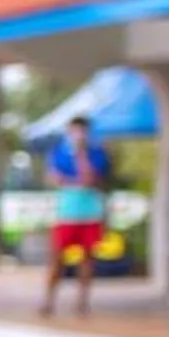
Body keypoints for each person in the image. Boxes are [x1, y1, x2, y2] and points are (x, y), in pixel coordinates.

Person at [41, 114, 111, 318]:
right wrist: (71, 181)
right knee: (56, 258)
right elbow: (53, 178)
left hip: (90, 214)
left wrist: (81, 156)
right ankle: (49, 301)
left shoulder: (97, 153)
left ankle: (82, 302)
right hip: (66, 214)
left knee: (87, 259)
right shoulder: (59, 152)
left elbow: (90, 178)